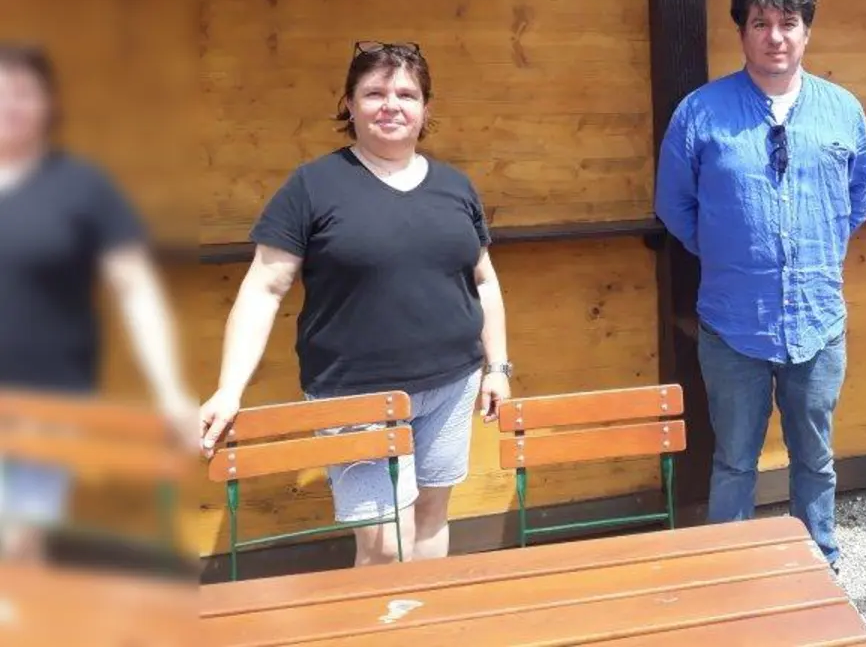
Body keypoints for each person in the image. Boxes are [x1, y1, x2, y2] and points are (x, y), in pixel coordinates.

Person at [197, 41, 511, 566]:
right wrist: (230, 389)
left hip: (453, 384)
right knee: (386, 541)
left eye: (407, 94)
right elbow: (263, 289)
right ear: (349, 104)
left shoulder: (456, 187)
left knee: (432, 516)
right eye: (375, 92)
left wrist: (497, 366)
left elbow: (484, 282)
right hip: (356, 394)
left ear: (426, 109)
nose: (392, 105)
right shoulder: (312, 187)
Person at [655, 0, 866, 571]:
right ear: (742, 31)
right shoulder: (700, 112)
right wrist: (729, 248)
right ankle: (728, 568)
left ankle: (818, 561)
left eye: (788, 23)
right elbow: (673, 203)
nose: (775, 36)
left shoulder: (843, 111)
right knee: (733, 458)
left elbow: (857, 200)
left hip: (818, 323)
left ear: (806, 33)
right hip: (732, 325)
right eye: (761, 23)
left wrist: (807, 250)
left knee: (816, 457)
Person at [0, 43, 195, 562]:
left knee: (16, 549)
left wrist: (170, 389)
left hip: (47, 404)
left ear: (48, 104)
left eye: (23, 92)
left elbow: (134, 290)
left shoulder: (81, 188)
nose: (9, 104)